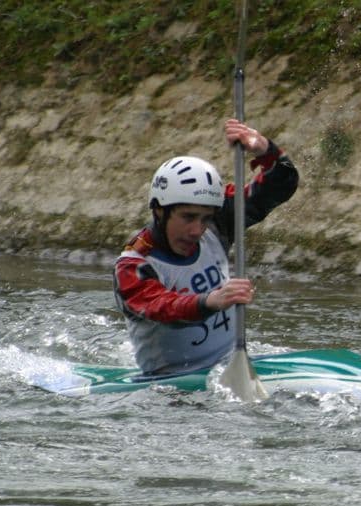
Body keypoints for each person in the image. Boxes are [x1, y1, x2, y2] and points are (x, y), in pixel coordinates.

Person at [113, 119, 299, 375]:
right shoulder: (134, 265)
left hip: (231, 363)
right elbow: (163, 309)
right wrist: (211, 301)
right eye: (188, 217)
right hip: (171, 386)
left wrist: (263, 148)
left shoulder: (218, 223)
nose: (197, 230)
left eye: (205, 218)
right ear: (159, 211)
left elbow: (280, 186)